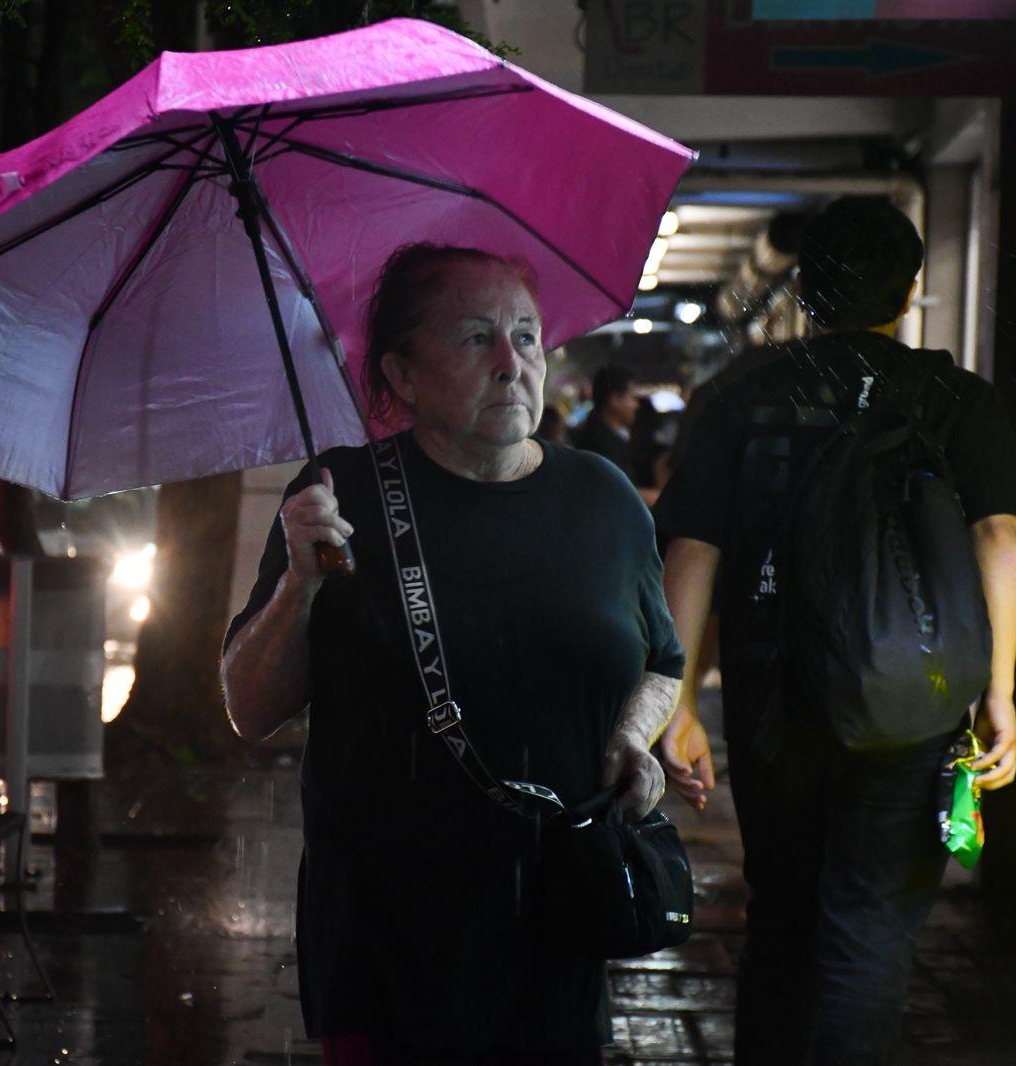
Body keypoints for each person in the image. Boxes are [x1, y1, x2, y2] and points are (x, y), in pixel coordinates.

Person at [222, 244, 686, 1065]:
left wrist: (633, 737)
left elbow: (661, 662)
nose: (513, 365)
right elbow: (250, 708)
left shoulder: (602, 499)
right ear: (400, 375)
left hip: (559, 912)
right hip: (389, 935)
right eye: (477, 340)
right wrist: (300, 582)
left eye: (528, 337)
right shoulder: (343, 496)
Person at [653, 197, 1016, 1065]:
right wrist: (1000, 691)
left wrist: (677, 704)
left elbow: (693, 550)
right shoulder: (953, 398)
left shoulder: (742, 399)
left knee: (783, 917)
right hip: (916, 705)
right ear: (908, 292)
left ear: (805, 290)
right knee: (870, 930)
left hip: (773, 705)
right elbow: (1002, 537)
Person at [570, 363, 645, 487]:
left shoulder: (598, 434)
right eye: (632, 397)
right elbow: (620, 491)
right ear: (614, 399)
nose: (637, 405)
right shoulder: (600, 444)